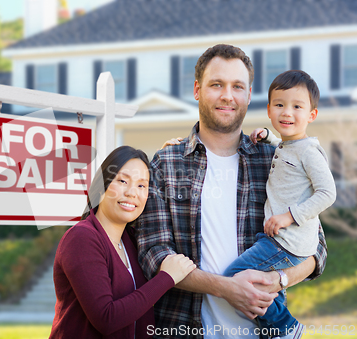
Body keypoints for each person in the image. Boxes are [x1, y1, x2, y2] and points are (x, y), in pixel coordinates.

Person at [136, 44, 328, 339]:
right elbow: (153, 253)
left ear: (249, 95)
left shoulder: (273, 159)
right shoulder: (166, 163)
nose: (228, 95)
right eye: (217, 85)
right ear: (198, 90)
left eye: (237, 86)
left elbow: (316, 246)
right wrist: (228, 288)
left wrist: (279, 279)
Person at [221, 70, 337, 339]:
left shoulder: (309, 151)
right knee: (269, 289)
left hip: (287, 241)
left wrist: (289, 216)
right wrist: (268, 138)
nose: (287, 112)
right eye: (280, 105)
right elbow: (287, 155)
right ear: (269, 110)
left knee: (235, 276)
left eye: (297, 106)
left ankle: (285, 327)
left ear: (311, 115)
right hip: (278, 238)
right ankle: (275, 334)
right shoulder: (287, 145)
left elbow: (327, 193)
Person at [50, 145, 196, 339]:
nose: (131, 192)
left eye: (141, 185)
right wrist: (166, 278)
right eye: (122, 181)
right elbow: (107, 319)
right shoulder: (81, 238)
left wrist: (174, 152)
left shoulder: (132, 240)